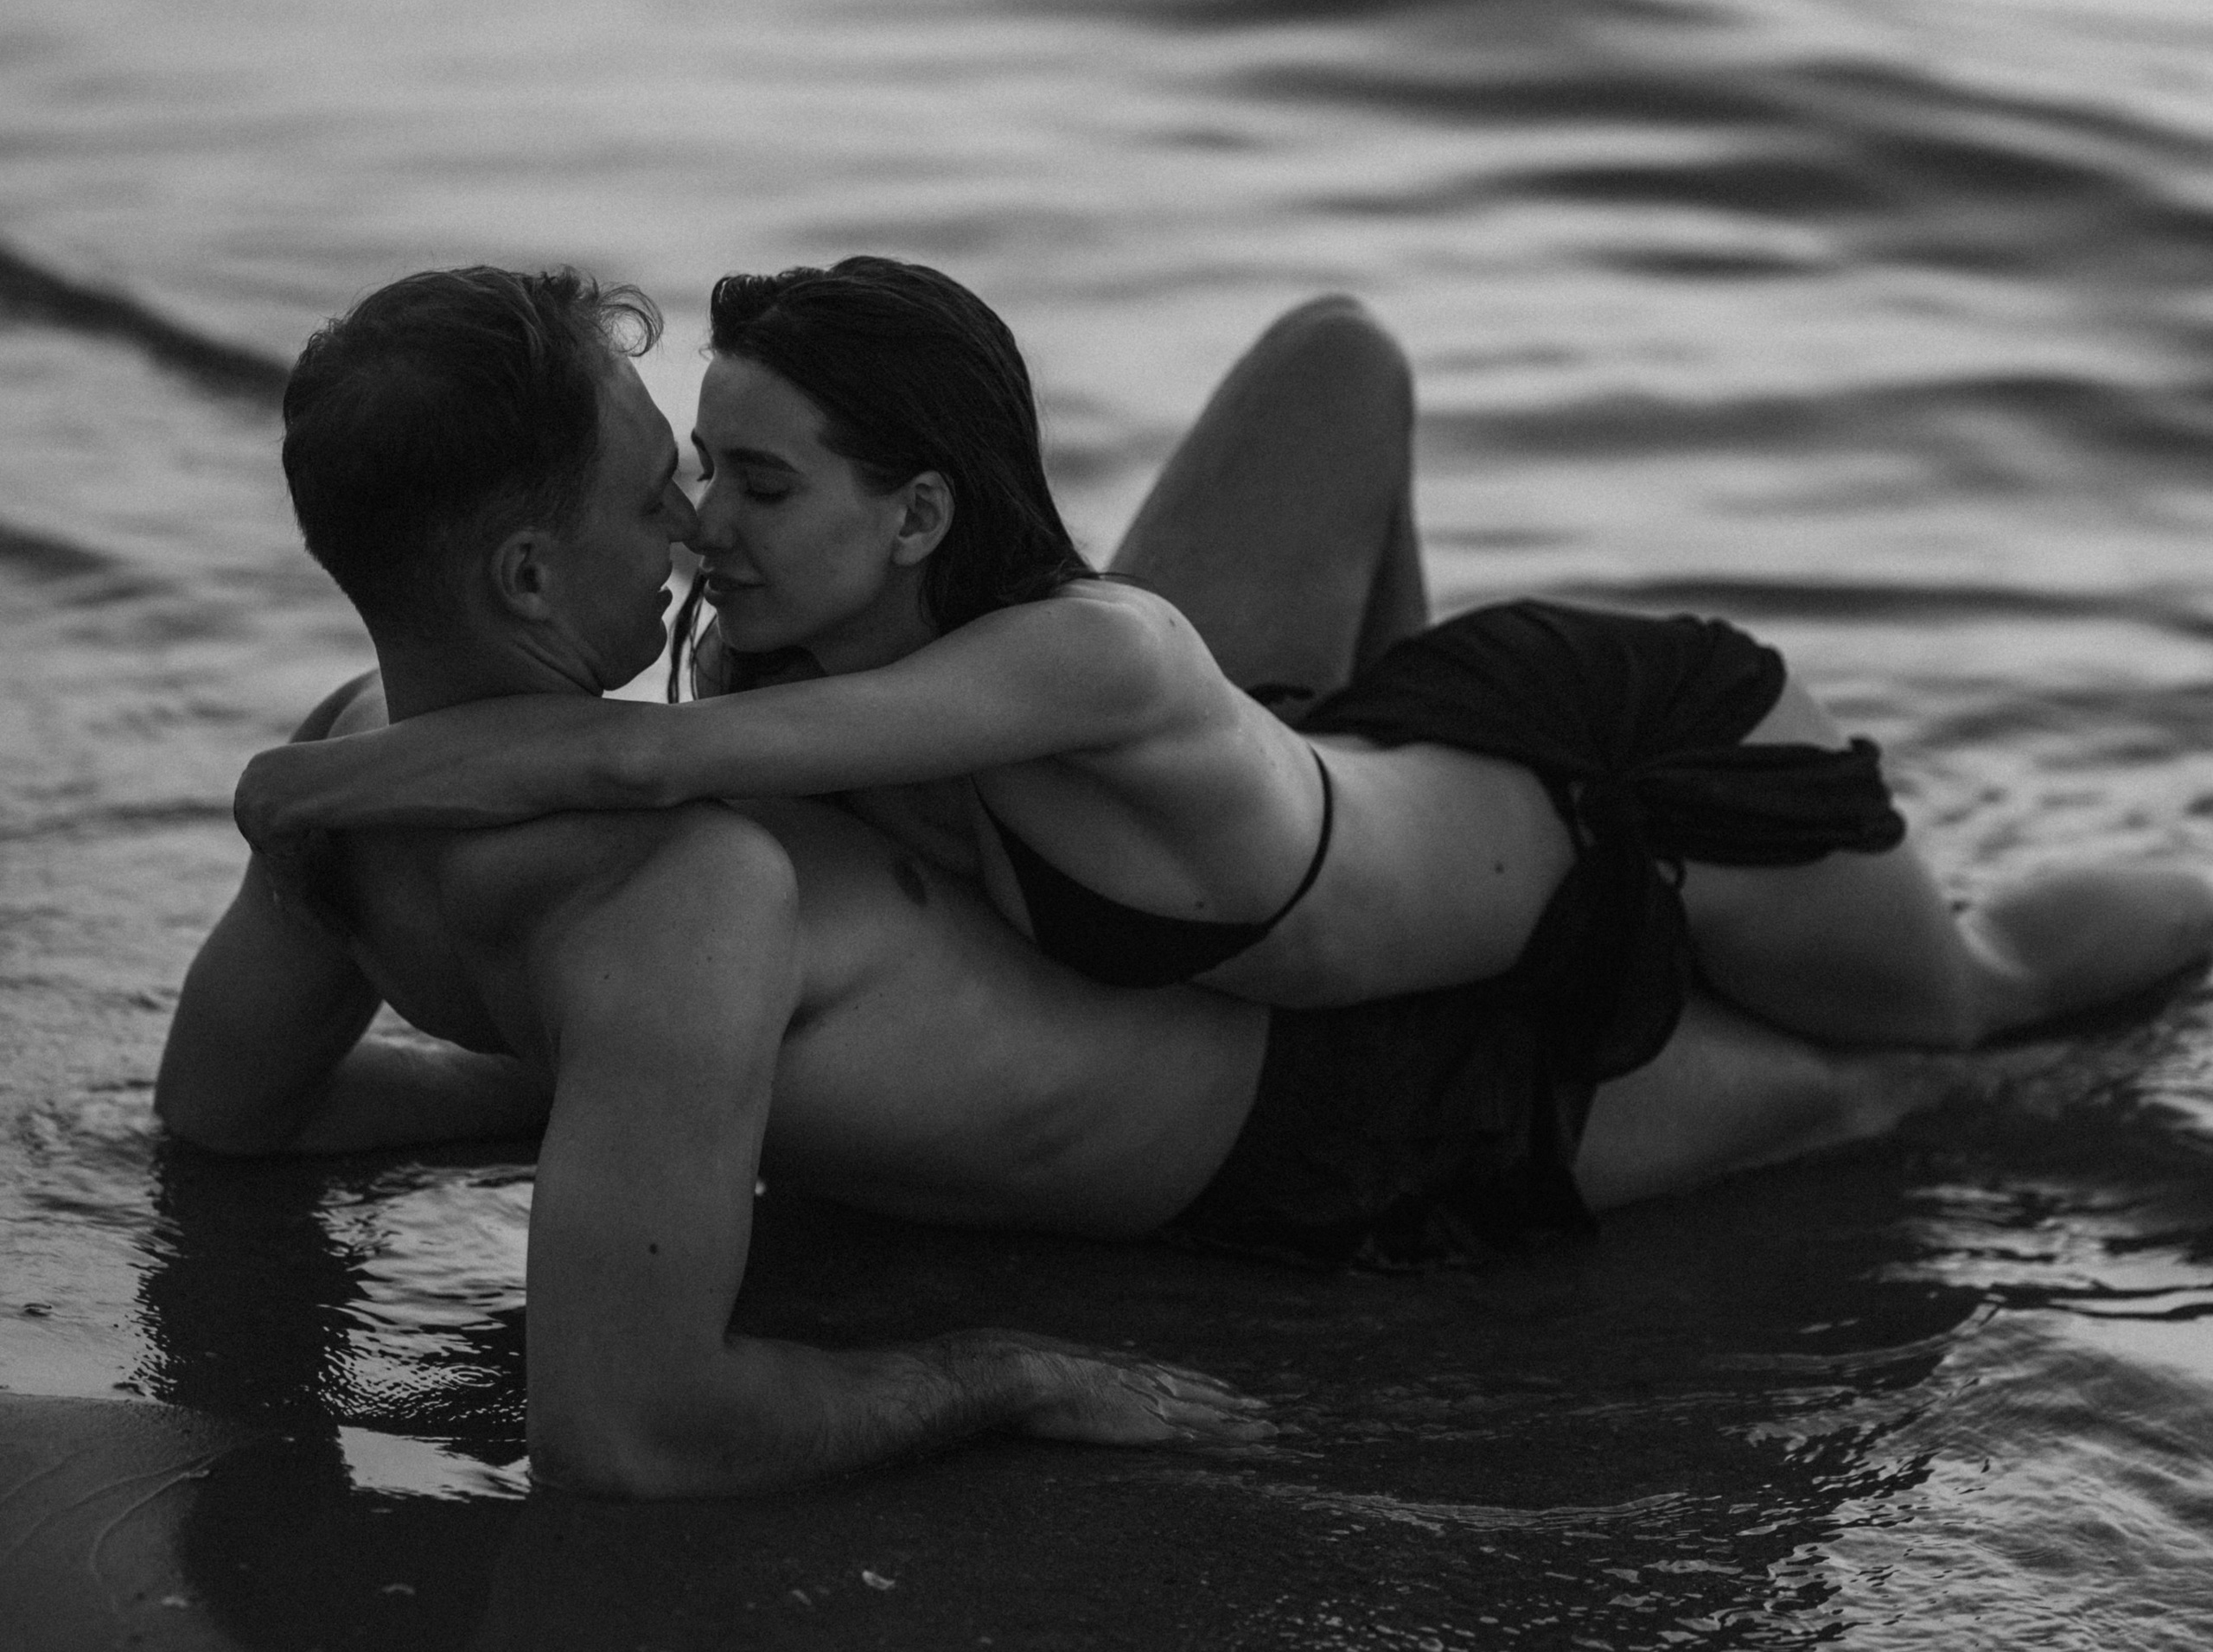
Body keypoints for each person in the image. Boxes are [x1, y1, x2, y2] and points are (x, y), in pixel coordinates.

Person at [161, 263, 2082, 1502]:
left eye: (713, 480)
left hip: (1367, 922)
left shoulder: (354, 778)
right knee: (1881, 1088)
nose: (690, 527)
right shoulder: (654, 911)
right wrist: (993, 1370)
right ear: (516, 581)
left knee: (1932, 1064)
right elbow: (630, 1431)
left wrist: (618, 1089)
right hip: (1353, 1129)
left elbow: (246, 1111)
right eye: (654, 488)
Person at [238, 258, 2213, 1100]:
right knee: (1338, 366)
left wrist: (297, 797)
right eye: (695, 475)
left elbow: (654, 778)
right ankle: (1386, 710)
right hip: (1368, 768)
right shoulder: (849, 638)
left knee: (1969, 1010)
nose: (700, 530)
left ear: (918, 516)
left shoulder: (1066, 661)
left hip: (1642, 766)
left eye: (752, 485)